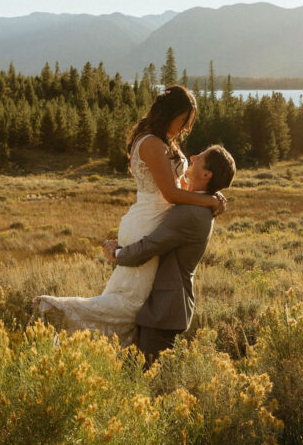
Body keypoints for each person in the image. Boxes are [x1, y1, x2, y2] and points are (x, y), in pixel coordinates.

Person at [33, 85, 225, 344]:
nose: (184, 129)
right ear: (169, 114)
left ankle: (100, 350)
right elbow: (170, 193)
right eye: (182, 121)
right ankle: (57, 309)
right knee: (131, 304)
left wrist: (212, 196)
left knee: (130, 298)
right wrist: (209, 201)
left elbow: (181, 187)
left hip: (154, 220)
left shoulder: (163, 141)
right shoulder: (153, 144)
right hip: (149, 222)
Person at [104, 144, 236, 366]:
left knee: (145, 378)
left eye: (200, 157)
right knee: (135, 372)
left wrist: (117, 253)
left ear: (206, 174)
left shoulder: (192, 213)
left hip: (164, 309)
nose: (192, 156)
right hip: (158, 305)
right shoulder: (198, 204)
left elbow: (150, 247)